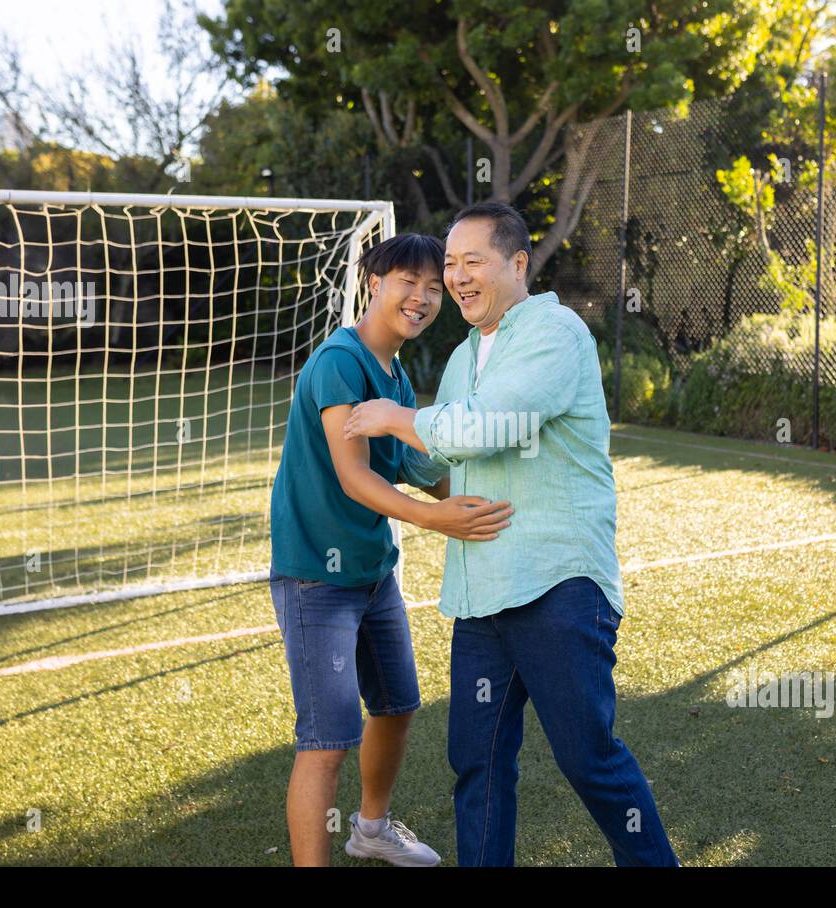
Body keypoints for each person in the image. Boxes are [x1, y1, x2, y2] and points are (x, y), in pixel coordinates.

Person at [344, 203, 679, 866]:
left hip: (557, 583)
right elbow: (440, 457)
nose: (457, 277)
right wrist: (353, 432)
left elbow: (488, 426)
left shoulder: (555, 332)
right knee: (478, 762)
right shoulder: (468, 354)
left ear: (518, 263)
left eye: (474, 261)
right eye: (451, 265)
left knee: (588, 756)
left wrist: (394, 414)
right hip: (481, 595)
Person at [268, 232, 513, 866]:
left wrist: (492, 492)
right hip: (315, 579)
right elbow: (355, 475)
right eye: (410, 281)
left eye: (435, 288)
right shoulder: (340, 362)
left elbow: (413, 460)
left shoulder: (397, 375)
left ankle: (370, 829)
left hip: (374, 574)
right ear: (373, 283)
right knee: (326, 739)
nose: (424, 297)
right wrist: (439, 520)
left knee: (399, 704)